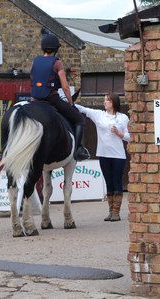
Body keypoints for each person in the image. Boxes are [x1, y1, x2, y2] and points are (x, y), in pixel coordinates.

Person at [30, 33, 89, 160]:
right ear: (56, 49)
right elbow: (65, 87)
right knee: (79, 119)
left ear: (43, 48)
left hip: (34, 100)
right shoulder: (57, 63)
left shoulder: (35, 61)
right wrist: (71, 103)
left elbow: (33, 79)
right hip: (51, 99)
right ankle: (78, 150)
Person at [75, 93, 130, 222]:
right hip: (103, 154)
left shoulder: (123, 118)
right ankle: (110, 211)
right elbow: (84, 109)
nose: (105, 102)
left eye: (107, 100)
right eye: (104, 100)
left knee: (117, 182)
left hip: (118, 155)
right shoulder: (99, 115)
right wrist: (68, 102)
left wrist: (120, 133)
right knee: (108, 182)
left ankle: (116, 212)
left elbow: (130, 137)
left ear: (114, 103)